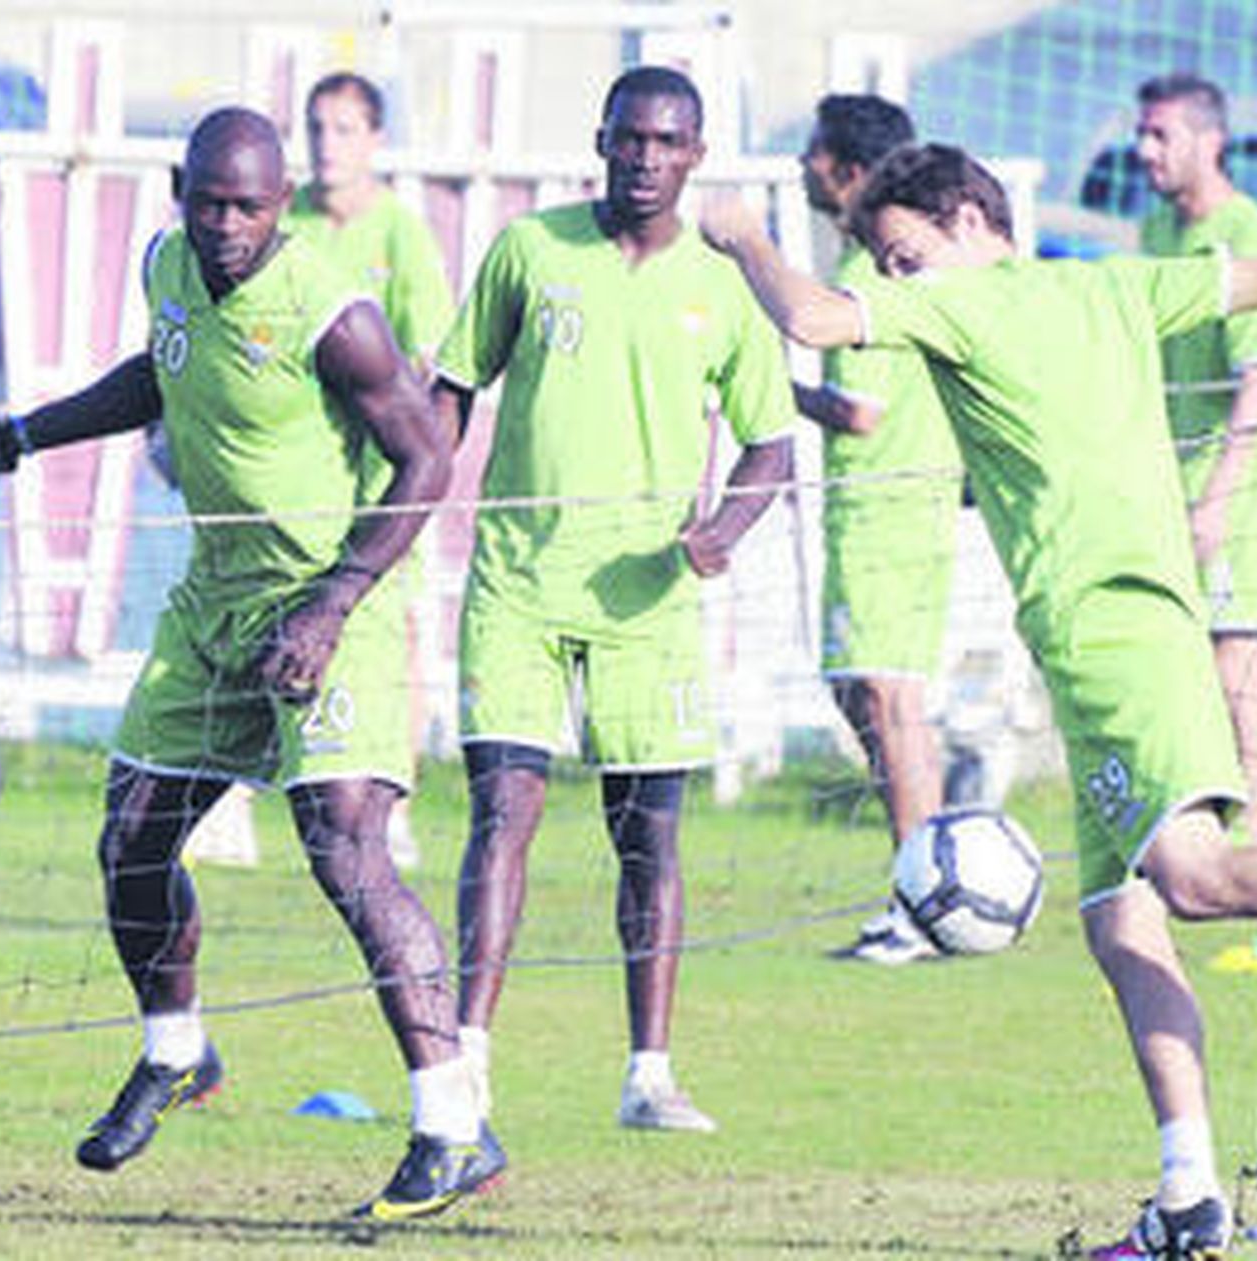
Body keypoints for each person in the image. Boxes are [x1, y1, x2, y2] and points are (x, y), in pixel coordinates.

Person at [699, 141, 1257, 1258]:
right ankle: (1189, 1200)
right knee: (1118, 920)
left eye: (904, 255)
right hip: (1124, 626)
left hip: (1108, 632)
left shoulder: (964, 305)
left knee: (1195, 878)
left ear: (968, 221)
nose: (899, 281)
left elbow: (810, 318)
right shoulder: (1112, 286)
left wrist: (741, 236)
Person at [0, 106, 503, 1224]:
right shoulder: (168, 264)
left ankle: (452, 1126)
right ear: (179, 195)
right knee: (132, 840)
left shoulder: (333, 313)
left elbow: (427, 457)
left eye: (247, 207)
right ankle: (177, 1052)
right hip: (215, 605)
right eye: (208, 203)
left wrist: (334, 602)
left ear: (281, 205)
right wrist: (21, 436)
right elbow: (161, 372)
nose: (227, 225)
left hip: (333, 601)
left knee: (346, 849)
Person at [432, 65, 796, 1135]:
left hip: (651, 601)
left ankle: (648, 1073)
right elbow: (453, 388)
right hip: (517, 583)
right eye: (629, 137)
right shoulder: (529, 251)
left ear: (695, 156)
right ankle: (467, 1059)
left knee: (648, 837)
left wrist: (722, 531)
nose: (645, 157)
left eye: (666, 142)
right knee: (503, 811)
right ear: (600, 141)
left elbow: (771, 444)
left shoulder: (722, 287)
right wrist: (402, 501)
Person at [797, 93, 964, 965]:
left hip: (885, 513)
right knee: (865, 696)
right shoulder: (892, 265)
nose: (803, 166)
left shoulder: (866, 274)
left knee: (888, 699)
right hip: (896, 509)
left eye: (814, 152)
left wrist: (763, 385)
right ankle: (931, 866)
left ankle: (921, 898)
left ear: (850, 171)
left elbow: (860, 412)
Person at [283, 70, 460, 868]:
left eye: (344, 129)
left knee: (395, 631)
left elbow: (431, 359)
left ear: (375, 140)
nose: (327, 144)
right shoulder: (283, 220)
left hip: (376, 478)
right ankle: (237, 799)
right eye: (317, 127)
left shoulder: (400, 233)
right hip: (291, 476)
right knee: (260, 613)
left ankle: (395, 801)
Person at [1137, 72, 1257, 848]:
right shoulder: (1156, 232)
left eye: (1160, 134)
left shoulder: (1248, 236)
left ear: (1211, 141)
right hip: (1166, 484)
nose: (1144, 149)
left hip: (1234, 493)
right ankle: (1198, 837)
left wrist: (1218, 499)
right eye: (1142, 133)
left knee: (1237, 662)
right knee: (1180, 668)